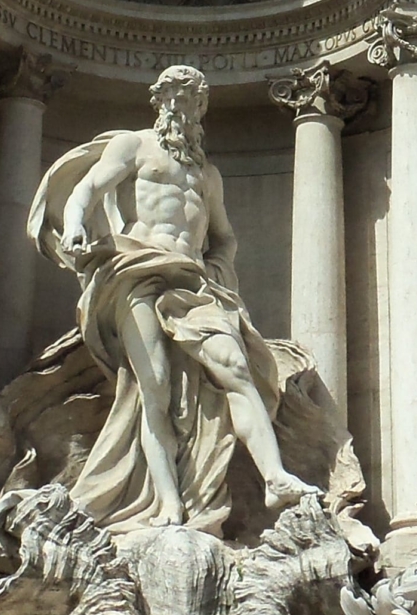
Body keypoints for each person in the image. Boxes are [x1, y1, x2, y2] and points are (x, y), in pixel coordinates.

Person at [28, 64, 313, 534]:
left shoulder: (207, 173)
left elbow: (223, 236)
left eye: (191, 99)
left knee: (237, 369)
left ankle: (275, 478)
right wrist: (77, 222)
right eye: (172, 98)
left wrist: (220, 273)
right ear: (158, 103)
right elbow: (87, 190)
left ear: (201, 108)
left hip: (193, 284)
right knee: (154, 386)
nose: (181, 107)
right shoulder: (133, 146)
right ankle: (168, 505)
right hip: (137, 272)